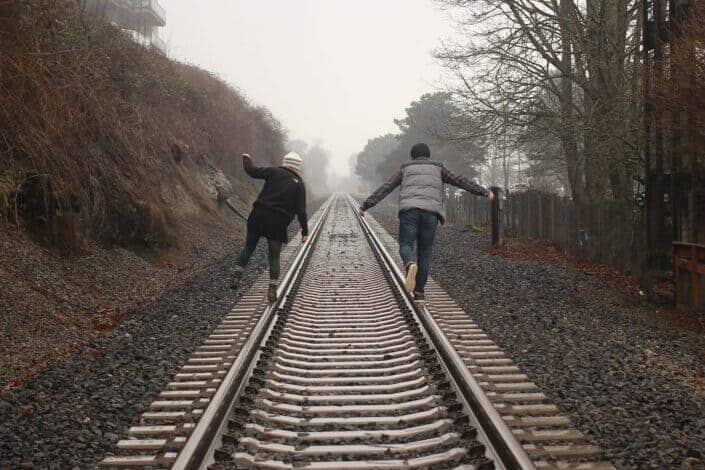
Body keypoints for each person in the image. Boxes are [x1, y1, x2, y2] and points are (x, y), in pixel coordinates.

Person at [358, 143, 493, 303]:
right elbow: (460, 181)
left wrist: (366, 205)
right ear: (428, 156)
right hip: (431, 213)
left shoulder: (405, 169)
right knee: (425, 252)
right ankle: (420, 293)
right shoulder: (438, 168)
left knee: (406, 245)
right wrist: (484, 192)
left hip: (409, 212)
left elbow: (386, 187)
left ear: (412, 156)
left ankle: (409, 264)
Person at [230, 152, 309, 303]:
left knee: (249, 247)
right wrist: (305, 232)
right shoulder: (299, 184)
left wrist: (246, 159)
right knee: (274, 256)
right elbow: (301, 211)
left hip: (258, 215)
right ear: (298, 167)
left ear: (285, 162)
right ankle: (272, 290)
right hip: (277, 222)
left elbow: (252, 171)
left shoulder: (274, 171)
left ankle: (236, 276)